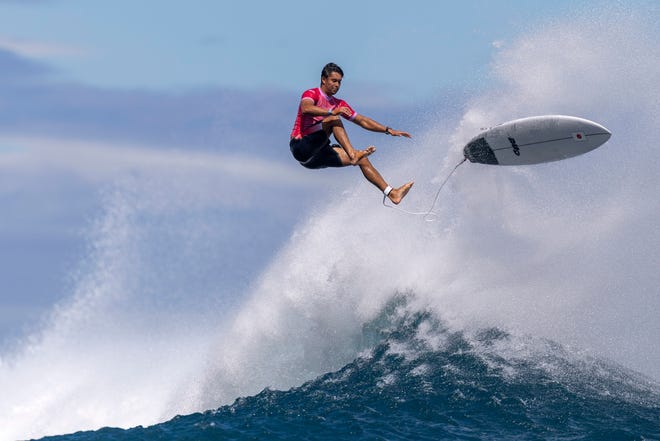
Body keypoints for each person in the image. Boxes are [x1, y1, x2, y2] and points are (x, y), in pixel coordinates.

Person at [289, 62, 414, 204]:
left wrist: (388, 130)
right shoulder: (312, 94)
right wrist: (331, 112)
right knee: (334, 119)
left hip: (316, 158)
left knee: (363, 159)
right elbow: (306, 108)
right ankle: (353, 154)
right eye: (333, 81)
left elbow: (362, 120)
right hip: (301, 146)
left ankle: (392, 194)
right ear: (324, 79)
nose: (337, 85)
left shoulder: (340, 104)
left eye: (339, 82)